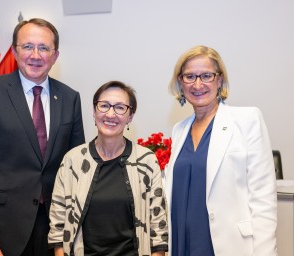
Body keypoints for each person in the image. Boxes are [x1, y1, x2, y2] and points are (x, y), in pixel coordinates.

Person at [0, 18, 85, 256]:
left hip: (56, 230)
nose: (35, 55)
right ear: (15, 51)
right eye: (27, 46)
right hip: (2, 230)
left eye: (44, 48)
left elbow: (77, 168)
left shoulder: (70, 98)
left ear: (55, 55)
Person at [163, 45, 277, 255]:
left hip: (226, 246)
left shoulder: (247, 120)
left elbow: (263, 198)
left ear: (219, 80)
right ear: (181, 82)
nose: (198, 84)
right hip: (181, 244)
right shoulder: (179, 130)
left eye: (206, 75)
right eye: (190, 77)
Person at [48, 81, 168, 256]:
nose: (110, 114)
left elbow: (158, 227)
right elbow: (57, 225)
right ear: (94, 111)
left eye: (120, 107)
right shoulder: (72, 160)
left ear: (130, 116)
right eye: (104, 106)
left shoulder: (146, 161)